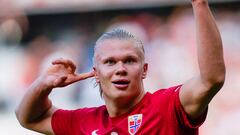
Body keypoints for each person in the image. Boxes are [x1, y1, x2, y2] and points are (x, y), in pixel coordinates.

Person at [15, 0, 225, 135]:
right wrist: (43, 85)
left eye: (130, 60)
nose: (120, 68)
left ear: (144, 70)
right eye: (110, 62)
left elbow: (211, 80)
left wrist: (199, 4)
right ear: (95, 74)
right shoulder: (84, 122)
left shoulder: (168, 106)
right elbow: (28, 118)